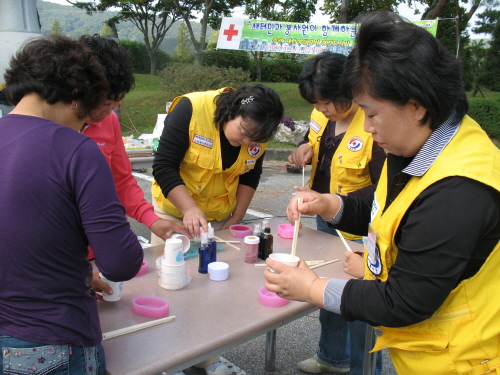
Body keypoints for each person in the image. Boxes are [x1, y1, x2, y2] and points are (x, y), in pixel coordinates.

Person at [265, 11, 500, 375]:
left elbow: (403, 301)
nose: (368, 127)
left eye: (371, 114)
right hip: (428, 354)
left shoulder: (460, 189)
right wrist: (332, 204)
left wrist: (313, 288)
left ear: (416, 104)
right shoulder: (417, 141)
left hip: (463, 362)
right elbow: (388, 204)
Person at [0, 34, 143, 374]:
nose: (87, 126)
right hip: (56, 340)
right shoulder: (77, 150)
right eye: (89, 118)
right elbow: (122, 262)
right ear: (77, 95)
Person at [288, 52, 385, 374]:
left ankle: (364, 368)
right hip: (324, 217)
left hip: (360, 227)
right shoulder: (321, 116)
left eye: (326, 102)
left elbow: (384, 188)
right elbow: (310, 142)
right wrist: (303, 150)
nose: (320, 109)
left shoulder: (373, 123)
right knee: (323, 289)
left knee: (359, 303)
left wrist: (335, 202)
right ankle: (332, 357)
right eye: (316, 103)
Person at [77, 35, 188, 261]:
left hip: (95, 250)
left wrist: (151, 219)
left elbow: (121, 180)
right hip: (54, 255)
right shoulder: (49, 127)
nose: (108, 112)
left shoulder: (108, 122)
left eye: (116, 104)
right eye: (106, 103)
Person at [151, 84, 284, 242]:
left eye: (255, 139)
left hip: (219, 220)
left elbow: (250, 176)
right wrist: (189, 208)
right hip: (175, 214)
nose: (247, 141)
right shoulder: (192, 109)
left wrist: (236, 218)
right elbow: (164, 166)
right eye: (243, 132)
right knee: (173, 264)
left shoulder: (259, 130)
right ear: (232, 112)